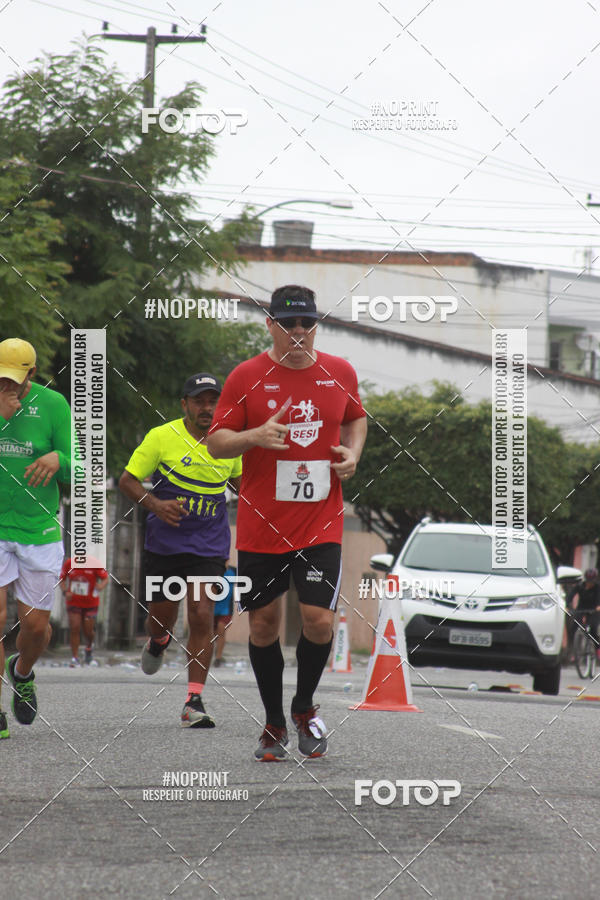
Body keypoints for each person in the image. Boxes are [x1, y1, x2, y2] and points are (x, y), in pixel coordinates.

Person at [207, 284, 367, 761]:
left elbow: (356, 418)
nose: (298, 331)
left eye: (306, 323)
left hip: (321, 522)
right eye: (288, 323)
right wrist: (254, 435)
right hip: (262, 524)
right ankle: (274, 723)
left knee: (319, 620)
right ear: (270, 325)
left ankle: (304, 708)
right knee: (263, 625)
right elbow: (216, 442)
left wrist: (353, 454)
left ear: (316, 326)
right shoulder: (246, 376)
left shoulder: (340, 372)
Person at [119, 373, 242, 728]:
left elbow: (244, 486)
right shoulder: (162, 436)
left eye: (213, 401)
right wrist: (156, 505)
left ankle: (193, 701)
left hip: (209, 543)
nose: (207, 408)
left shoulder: (229, 442)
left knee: (202, 613)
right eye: (199, 401)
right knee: (162, 618)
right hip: (166, 542)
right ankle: (158, 640)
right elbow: (128, 480)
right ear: (184, 404)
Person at [0, 338, 72, 738]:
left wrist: (59, 459)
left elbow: (82, 466)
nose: (8, 386)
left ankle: (23, 672)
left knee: (35, 627)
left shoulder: (54, 405)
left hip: (38, 529)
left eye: (15, 378)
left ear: (32, 372)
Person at [59, 558, 108, 666]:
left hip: (90, 603)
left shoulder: (94, 563)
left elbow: (105, 578)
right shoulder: (69, 563)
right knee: (75, 627)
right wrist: (65, 591)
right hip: (73, 602)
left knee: (88, 631)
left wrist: (100, 586)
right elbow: (61, 579)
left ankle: (89, 647)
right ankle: (75, 657)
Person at [571, 568, 600, 658]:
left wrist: (598, 606)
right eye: (588, 581)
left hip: (594, 610)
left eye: (591, 581)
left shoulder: (597, 587)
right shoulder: (580, 586)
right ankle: (574, 650)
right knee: (574, 626)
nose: (589, 583)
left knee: (593, 629)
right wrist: (567, 605)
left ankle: (597, 649)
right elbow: (571, 594)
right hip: (581, 608)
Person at [213, 562, 236, 667]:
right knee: (213, 633)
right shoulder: (213, 569)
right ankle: (215, 651)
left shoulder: (234, 571)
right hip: (212, 607)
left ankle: (218, 658)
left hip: (226, 609)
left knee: (221, 629)